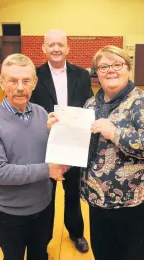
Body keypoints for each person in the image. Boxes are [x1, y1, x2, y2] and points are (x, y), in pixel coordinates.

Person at [52, 45, 144, 260]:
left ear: (128, 69)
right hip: (97, 200)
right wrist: (59, 132)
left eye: (117, 64)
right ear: (96, 73)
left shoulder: (143, 101)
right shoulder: (89, 104)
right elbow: (80, 145)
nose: (111, 70)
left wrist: (116, 134)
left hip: (132, 203)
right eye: (104, 66)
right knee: (103, 254)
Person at [0, 53, 68, 260]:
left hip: (44, 205)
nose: (20, 87)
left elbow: (51, 155)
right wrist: (48, 169)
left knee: (40, 254)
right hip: (11, 213)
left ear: (34, 83)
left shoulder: (42, 113)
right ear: (1, 82)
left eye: (26, 81)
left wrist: (65, 155)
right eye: (12, 80)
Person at [30, 29, 92, 253]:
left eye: (60, 44)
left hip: (74, 143)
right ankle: (43, 239)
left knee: (73, 193)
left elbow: (87, 104)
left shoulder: (82, 75)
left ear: (68, 48)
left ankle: (76, 232)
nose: (56, 48)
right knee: (45, 195)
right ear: (44, 48)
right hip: (45, 144)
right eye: (51, 45)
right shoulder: (34, 76)